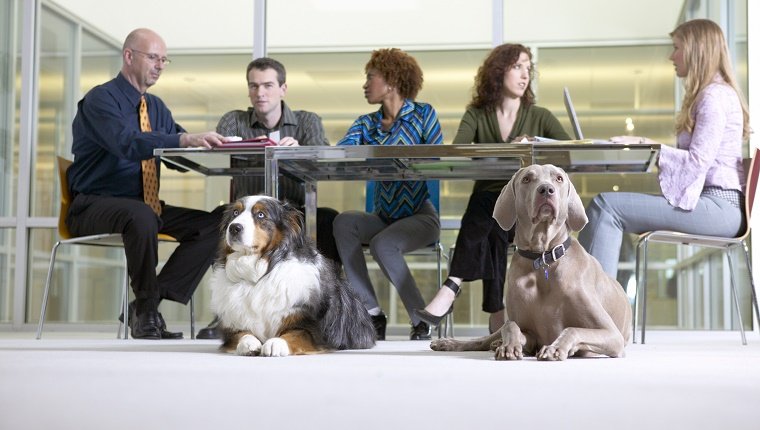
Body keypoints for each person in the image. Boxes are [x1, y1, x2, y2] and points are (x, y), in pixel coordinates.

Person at [66, 28, 230, 339]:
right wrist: (182, 138)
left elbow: (174, 152)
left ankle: (145, 305)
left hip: (144, 204)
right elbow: (126, 143)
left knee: (218, 224)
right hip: (93, 203)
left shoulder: (155, 107)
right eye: (153, 57)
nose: (160, 65)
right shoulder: (100, 100)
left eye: (164, 60)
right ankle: (146, 308)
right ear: (129, 56)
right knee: (139, 215)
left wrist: (214, 146)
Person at [415, 43, 570, 333]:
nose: (526, 75)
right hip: (495, 208)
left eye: (528, 68)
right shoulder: (477, 114)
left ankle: (452, 287)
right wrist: (506, 150)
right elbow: (459, 149)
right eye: (517, 67)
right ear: (498, 72)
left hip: (529, 210)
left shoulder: (541, 116)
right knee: (494, 222)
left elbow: (567, 151)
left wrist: (534, 143)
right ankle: (498, 314)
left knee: (488, 212)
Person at [577, 19, 749, 279]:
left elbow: (697, 161)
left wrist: (651, 147)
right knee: (606, 205)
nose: (672, 56)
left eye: (677, 47)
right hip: (717, 206)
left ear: (695, 51)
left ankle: (596, 310)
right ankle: (597, 307)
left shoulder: (713, 97)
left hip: (719, 209)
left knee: (605, 206)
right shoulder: (716, 94)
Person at [197, 57, 340, 339]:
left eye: (267, 85)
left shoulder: (307, 121)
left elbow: (328, 164)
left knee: (330, 221)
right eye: (254, 86)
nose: (260, 93)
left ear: (283, 89)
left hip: (290, 214)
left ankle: (321, 308)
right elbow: (216, 154)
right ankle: (226, 316)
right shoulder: (233, 120)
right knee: (210, 226)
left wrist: (302, 150)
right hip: (245, 215)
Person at [333, 48, 443, 341]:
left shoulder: (423, 114)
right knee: (343, 222)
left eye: (371, 77)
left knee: (383, 244)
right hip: (383, 218)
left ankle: (423, 320)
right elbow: (343, 151)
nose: (365, 84)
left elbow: (437, 159)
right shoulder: (366, 123)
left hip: (421, 216)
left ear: (392, 80)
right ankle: (370, 312)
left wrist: (393, 159)